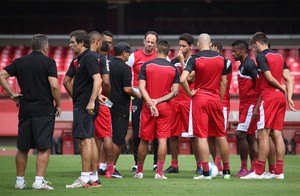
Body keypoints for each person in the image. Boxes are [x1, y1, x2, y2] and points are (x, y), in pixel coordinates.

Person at [0, 34, 61, 190]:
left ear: (32, 46)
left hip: (25, 110)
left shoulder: (20, 62)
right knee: (43, 147)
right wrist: (58, 104)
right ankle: (38, 181)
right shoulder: (48, 62)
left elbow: (1, 75)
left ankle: (20, 182)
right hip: (44, 110)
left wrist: (12, 95)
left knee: (23, 147)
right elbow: (54, 86)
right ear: (45, 47)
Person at [241, 32, 297, 180]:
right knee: (277, 134)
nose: (254, 50)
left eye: (254, 47)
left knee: (263, 134)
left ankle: (258, 172)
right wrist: (289, 97)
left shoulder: (261, 56)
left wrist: (281, 88)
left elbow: (269, 77)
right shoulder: (279, 56)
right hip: (279, 99)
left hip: (270, 97)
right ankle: (279, 172)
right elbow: (289, 79)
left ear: (257, 44)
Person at [180, 33, 231, 180]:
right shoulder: (222, 59)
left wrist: (190, 93)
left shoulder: (195, 59)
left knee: (202, 136)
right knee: (221, 135)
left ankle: (206, 173)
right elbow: (224, 83)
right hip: (215, 99)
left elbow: (183, 79)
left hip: (200, 98)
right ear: (210, 43)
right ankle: (226, 172)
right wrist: (219, 99)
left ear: (197, 43)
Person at [134, 40, 180, 180]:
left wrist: (151, 103)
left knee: (144, 140)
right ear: (169, 53)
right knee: (162, 140)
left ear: (156, 49)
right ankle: (159, 173)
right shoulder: (174, 69)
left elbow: (141, 87)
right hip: (164, 107)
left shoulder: (147, 65)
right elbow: (175, 92)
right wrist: (158, 101)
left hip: (148, 107)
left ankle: (139, 172)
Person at [64, 30, 102, 188]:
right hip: (83, 104)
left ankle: (85, 178)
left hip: (86, 106)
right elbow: (66, 81)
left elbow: (98, 79)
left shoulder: (89, 57)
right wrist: (78, 98)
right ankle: (93, 177)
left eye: (73, 42)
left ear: (81, 43)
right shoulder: (78, 59)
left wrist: (91, 100)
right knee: (89, 139)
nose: (70, 45)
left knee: (83, 141)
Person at [163, 33, 199, 174]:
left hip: (189, 102)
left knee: (193, 135)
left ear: (191, 46)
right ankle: (174, 165)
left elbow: (189, 79)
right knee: (173, 135)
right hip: (175, 102)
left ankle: (199, 165)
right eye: (180, 45)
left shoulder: (196, 61)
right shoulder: (173, 62)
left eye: (184, 46)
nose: (181, 48)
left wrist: (183, 61)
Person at [126, 31, 159, 172]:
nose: (150, 44)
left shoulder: (160, 56)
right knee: (137, 130)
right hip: (138, 97)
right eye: (148, 41)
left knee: (158, 131)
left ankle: (157, 162)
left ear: (156, 44)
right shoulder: (135, 56)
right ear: (143, 41)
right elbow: (125, 72)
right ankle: (136, 162)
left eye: (152, 42)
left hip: (155, 98)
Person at [108, 42, 141, 178]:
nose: (130, 55)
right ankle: (112, 168)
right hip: (120, 106)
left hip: (106, 105)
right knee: (118, 139)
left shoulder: (107, 65)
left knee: (105, 137)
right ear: (124, 53)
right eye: (128, 53)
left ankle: (101, 167)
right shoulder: (125, 68)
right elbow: (127, 89)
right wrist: (139, 94)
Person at [88, 31, 114, 178]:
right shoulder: (102, 59)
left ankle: (95, 167)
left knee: (95, 136)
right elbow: (106, 82)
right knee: (106, 135)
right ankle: (109, 169)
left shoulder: (85, 58)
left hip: (89, 100)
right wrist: (106, 96)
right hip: (102, 101)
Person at [231, 40, 259, 177]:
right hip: (245, 105)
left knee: (240, 134)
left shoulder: (249, 64)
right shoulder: (243, 65)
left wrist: (256, 107)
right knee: (249, 136)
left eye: (235, 51)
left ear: (242, 51)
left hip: (250, 105)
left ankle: (244, 168)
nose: (232, 53)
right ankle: (254, 168)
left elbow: (259, 84)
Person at [208, 41, 232, 175]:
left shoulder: (226, 63)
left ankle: (225, 167)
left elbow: (223, 82)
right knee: (210, 136)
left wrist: (220, 100)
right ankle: (217, 164)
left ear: (216, 49)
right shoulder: (210, 62)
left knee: (220, 135)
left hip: (221, 103)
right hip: (210, 102)